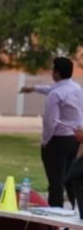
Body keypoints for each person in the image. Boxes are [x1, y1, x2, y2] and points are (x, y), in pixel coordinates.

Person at [19, 57, 83, 207]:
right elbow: (51, 89)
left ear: (57, 73)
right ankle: (76, 212)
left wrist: (45, 141)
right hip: (75, 140)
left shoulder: (56, 94)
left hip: (58, 141)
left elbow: (50, 122)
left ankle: (54, 218)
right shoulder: (77, 89)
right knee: (71, 178)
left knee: (56, 183)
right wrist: (34, 88)